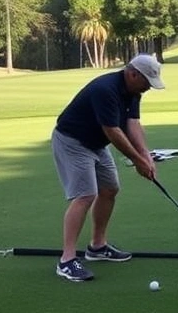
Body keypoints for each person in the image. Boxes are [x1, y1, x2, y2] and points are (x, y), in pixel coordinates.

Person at [51, 54, 165, 282]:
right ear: (133, 74)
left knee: (110, 189)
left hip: (96, 143)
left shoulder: (133, 91)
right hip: (73, 141)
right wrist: (137, 161)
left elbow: (132, 123)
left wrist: (145, 155)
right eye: (146, 82)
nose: (148, 88)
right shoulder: (106, 89)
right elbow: (113, 132)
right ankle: (66, 260)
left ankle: (97, 246)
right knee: (85, 195)